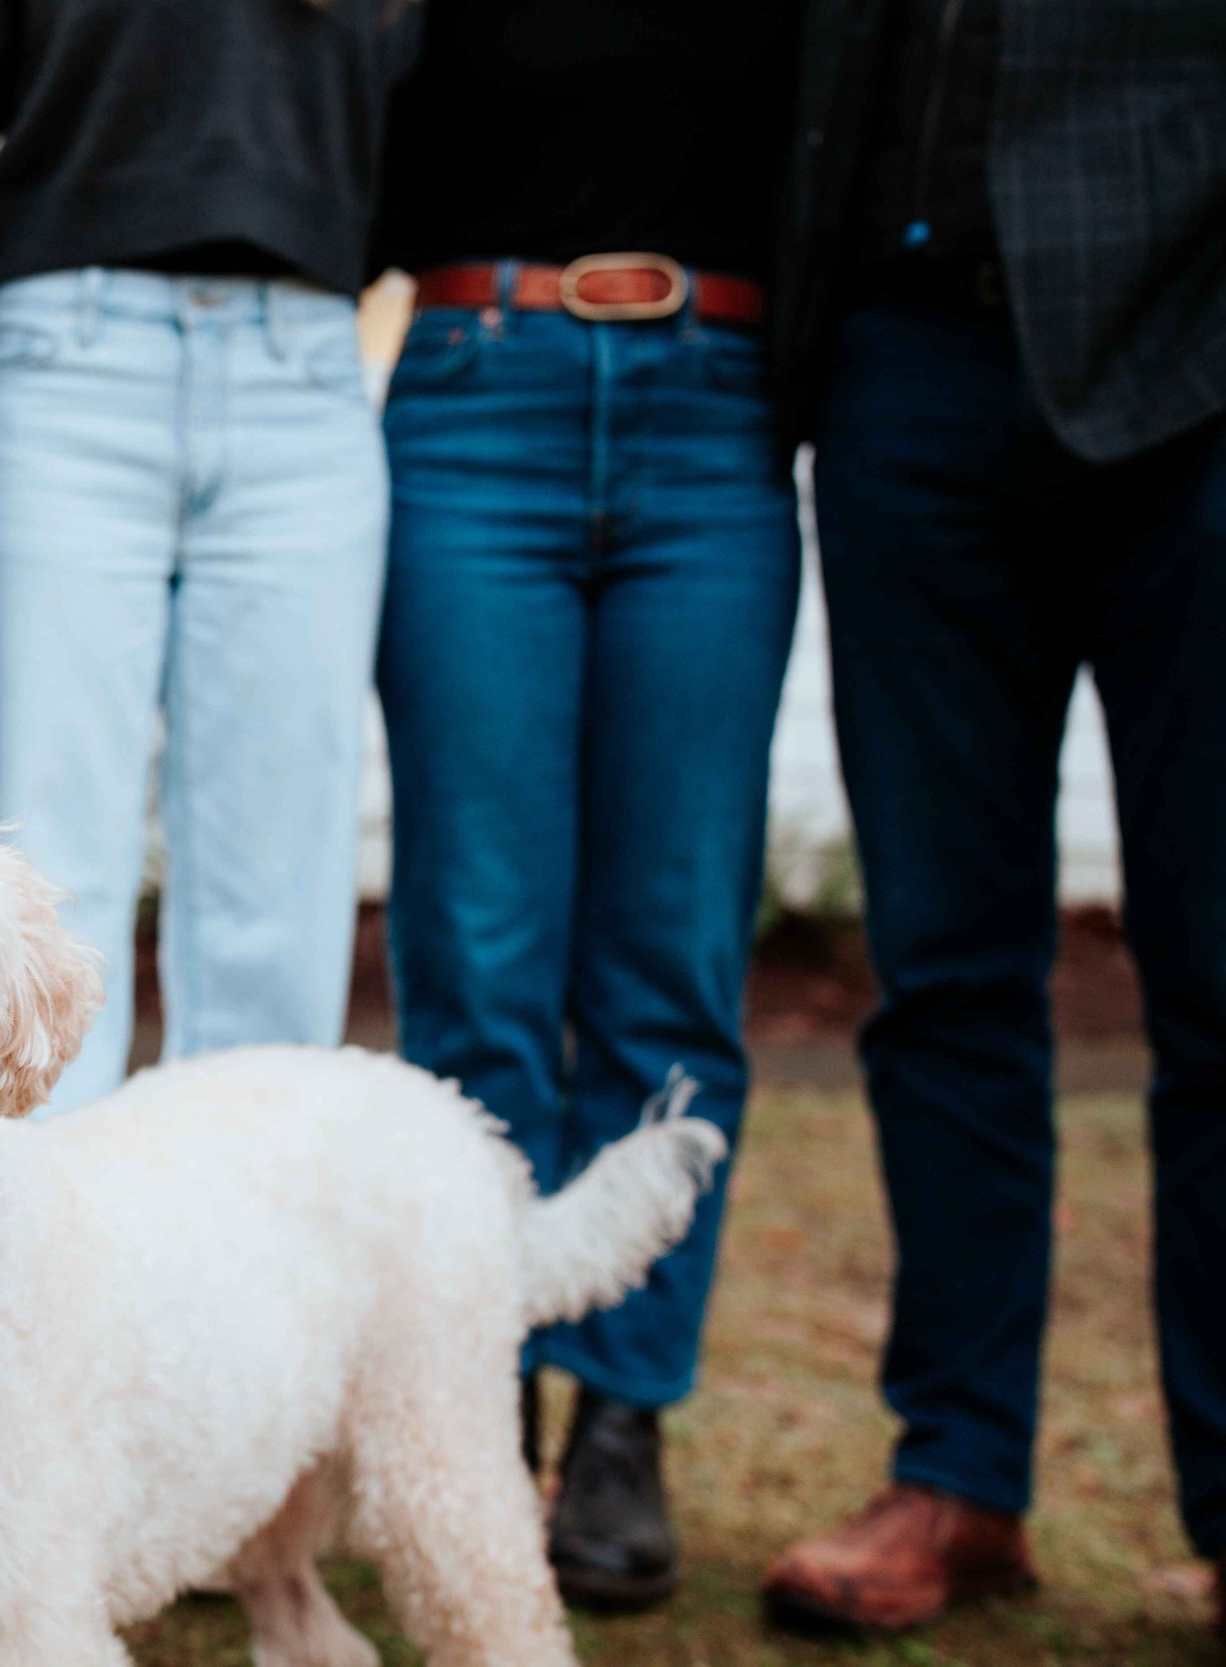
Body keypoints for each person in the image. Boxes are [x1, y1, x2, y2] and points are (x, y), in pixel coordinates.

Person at [760, 0, 1226, 1635]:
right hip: (904, 369)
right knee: (945, 969)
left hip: (1192, 365)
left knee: (1218, 979)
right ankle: (957, 1475)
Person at [366, 0, 805, 1611]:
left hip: (721, 400)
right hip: (480, 386)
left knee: (675, 951)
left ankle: (626, 1408)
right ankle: (478, 1391)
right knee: (478, 953)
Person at [0, 0, 414, 1116]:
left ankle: (256, 1274)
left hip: (304, 359)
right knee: (45, 871)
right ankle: (39, 1277)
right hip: (68, 345)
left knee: (280, 896)